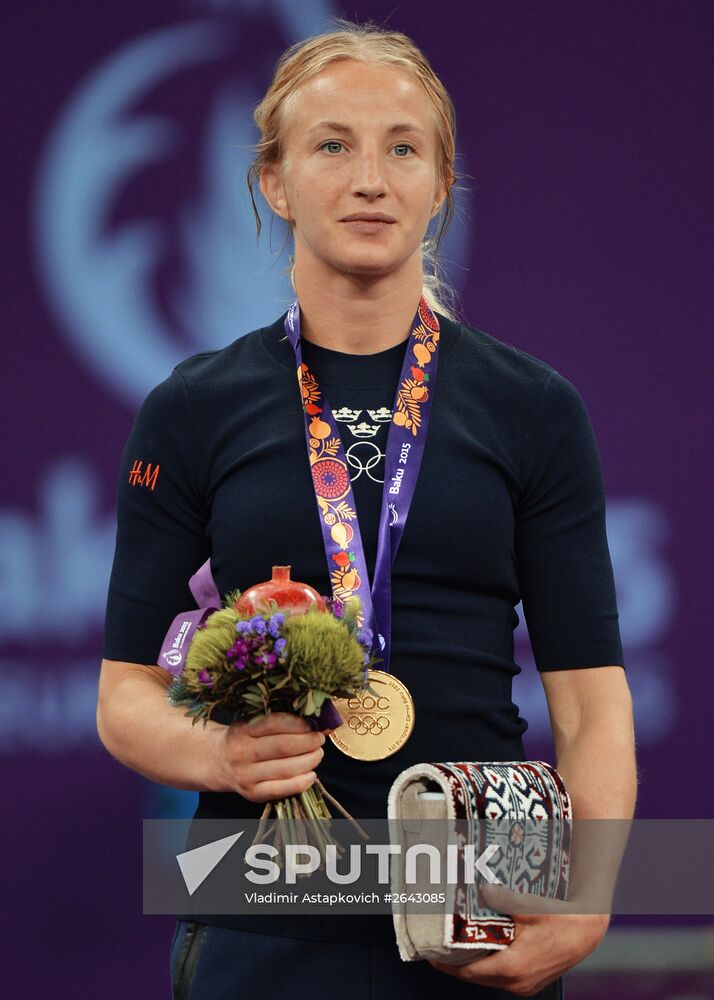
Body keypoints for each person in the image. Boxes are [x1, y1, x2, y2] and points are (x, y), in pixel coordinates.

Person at [97, 19, 637, 1000]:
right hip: (262, 895)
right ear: (275, 180)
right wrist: (217, 749)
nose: (371, 179)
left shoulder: (534, 409)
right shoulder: (192, 407)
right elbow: (125, 694)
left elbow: (592, 699)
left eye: (403, 147)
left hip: (485, 883)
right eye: (332, 144)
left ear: (440, 183)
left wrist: (588, 888)